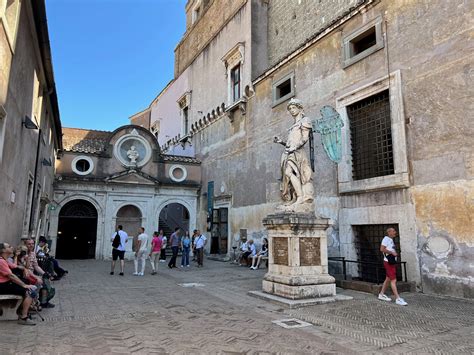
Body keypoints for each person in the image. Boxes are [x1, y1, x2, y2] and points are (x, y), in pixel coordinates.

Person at [273, 98, 314, 207]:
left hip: (298, 153)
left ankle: (301, 197)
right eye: (290, 108)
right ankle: (295, 197)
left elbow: (305, 139)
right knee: (287, 176)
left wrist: (294, 147)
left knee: (289, 173)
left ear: (300, 108)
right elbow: (290, 143)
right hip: (289, 152)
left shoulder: (305, 121)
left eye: (293, 107)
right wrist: (281, 142)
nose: (291, 110)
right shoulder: (293, 125)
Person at [0, 243, 37, 325]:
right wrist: (24, 285)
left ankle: (22, 311)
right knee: (30, 291)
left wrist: (24, 269)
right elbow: (11, 276)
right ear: (3, 250)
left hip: (6, 284)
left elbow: (15, 266)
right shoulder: (1, 261)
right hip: (2, 286)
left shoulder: (4, 259)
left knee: (27, 283)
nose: (12, 247)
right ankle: (24, 317)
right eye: (9, 246)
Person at [378, 228, 407, 306]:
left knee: (388, 279)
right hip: (388, 262)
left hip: (391, 262)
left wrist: (393, 253)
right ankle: (398, 298)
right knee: (393, 280)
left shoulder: (390, 239)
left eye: (395, 231)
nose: (395, 232)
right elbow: (382, 249)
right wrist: (392, 253)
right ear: (389, 232)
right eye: (393, 231)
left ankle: (381, 294)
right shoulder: (386, 239)